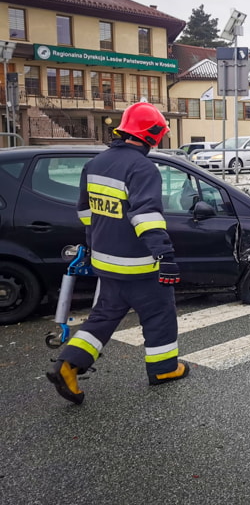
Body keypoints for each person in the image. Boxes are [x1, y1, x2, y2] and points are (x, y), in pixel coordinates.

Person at [46, 102, 188, 404]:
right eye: (159, 135)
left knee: (104, 316)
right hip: (139, 266)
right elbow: (146, 216)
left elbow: (86, 213)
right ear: (151, 134)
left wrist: (95, 245)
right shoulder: (142, 168)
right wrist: (164, 255)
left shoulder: (95, 164)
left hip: (106, 262)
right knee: (160, 313)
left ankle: (68, 365)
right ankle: (163, 368)